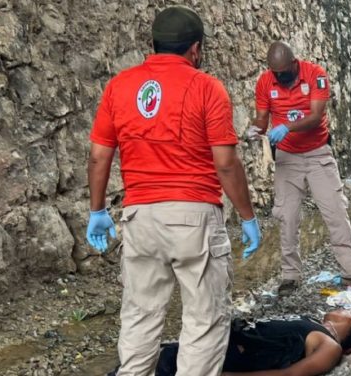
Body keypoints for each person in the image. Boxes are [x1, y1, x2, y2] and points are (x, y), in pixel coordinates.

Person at [86, 7, 261, 376]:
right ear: (195, 49)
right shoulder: (206, 88)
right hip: (194, 219)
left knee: (139, 318)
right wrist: (248, 216)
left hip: (140, 220)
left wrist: (97, 210)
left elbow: (99, 155)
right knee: (203, 322)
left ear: (153, 44)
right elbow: (226, 164)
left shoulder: (120, 85)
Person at [252, 41, 351, 296]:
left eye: (283, 72)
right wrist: (255, 130)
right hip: (287, 157)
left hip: (317, 153)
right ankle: (290, 275)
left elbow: (315, 116)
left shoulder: (315, 75)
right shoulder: (265, 82)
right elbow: (261, 118)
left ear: (293, 62)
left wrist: (286, 127)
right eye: (275, 73)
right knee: (287, 217)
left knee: (335, 211)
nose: (279, 77)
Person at [107, 310, 351, 376]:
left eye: (345, 310)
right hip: (224, 345)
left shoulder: (330, 346)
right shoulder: (316, 325)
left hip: (232, 357)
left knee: (162, 363)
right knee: (155, 360)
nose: (340, 309)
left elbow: (290, 374)